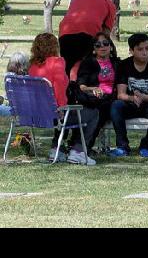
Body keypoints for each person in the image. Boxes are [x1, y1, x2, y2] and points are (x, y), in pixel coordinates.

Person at [29, 33, 99, 165]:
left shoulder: (32, 66)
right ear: (55, 47)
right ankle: (78, 151)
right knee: (92, 113)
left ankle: (57, 149)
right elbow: (59, 89)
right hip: (54, 115)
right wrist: (61, 106)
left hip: (36, 114)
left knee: (67, 111)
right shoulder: (57, 63)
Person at [108, 33, 148, 158]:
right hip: (131, 104)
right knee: (116, 105)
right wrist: (132, 98)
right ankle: (122, 146)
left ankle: (146, 144)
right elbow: (120, 94)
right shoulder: (124, 65)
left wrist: (142, 97)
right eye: (140, 49)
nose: (145, 52)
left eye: (147, 48)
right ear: (131, 50)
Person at [57, 0, 116, 78]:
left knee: (67, 67)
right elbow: (106, 32)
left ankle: (68, 90)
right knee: (88, 67)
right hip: (88, 34)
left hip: (65, 33)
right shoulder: (108, 2)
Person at [73, 31, 119, 154]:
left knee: (103, 109)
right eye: (98, 45)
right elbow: (81, 86)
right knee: (97, 110)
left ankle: (83, 146)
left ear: (110, 46)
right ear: (93, 49)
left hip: (112, 99)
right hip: (94, 99)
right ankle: (82, 146)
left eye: (105, 43)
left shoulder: (117, 63)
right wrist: (93, 89)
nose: (102, 47)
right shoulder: (88, 63)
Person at [2, 52, 30, 117]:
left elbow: (8, 98)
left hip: (15, 111)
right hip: (31, 110)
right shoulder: (32, 79)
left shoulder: (8, 78)